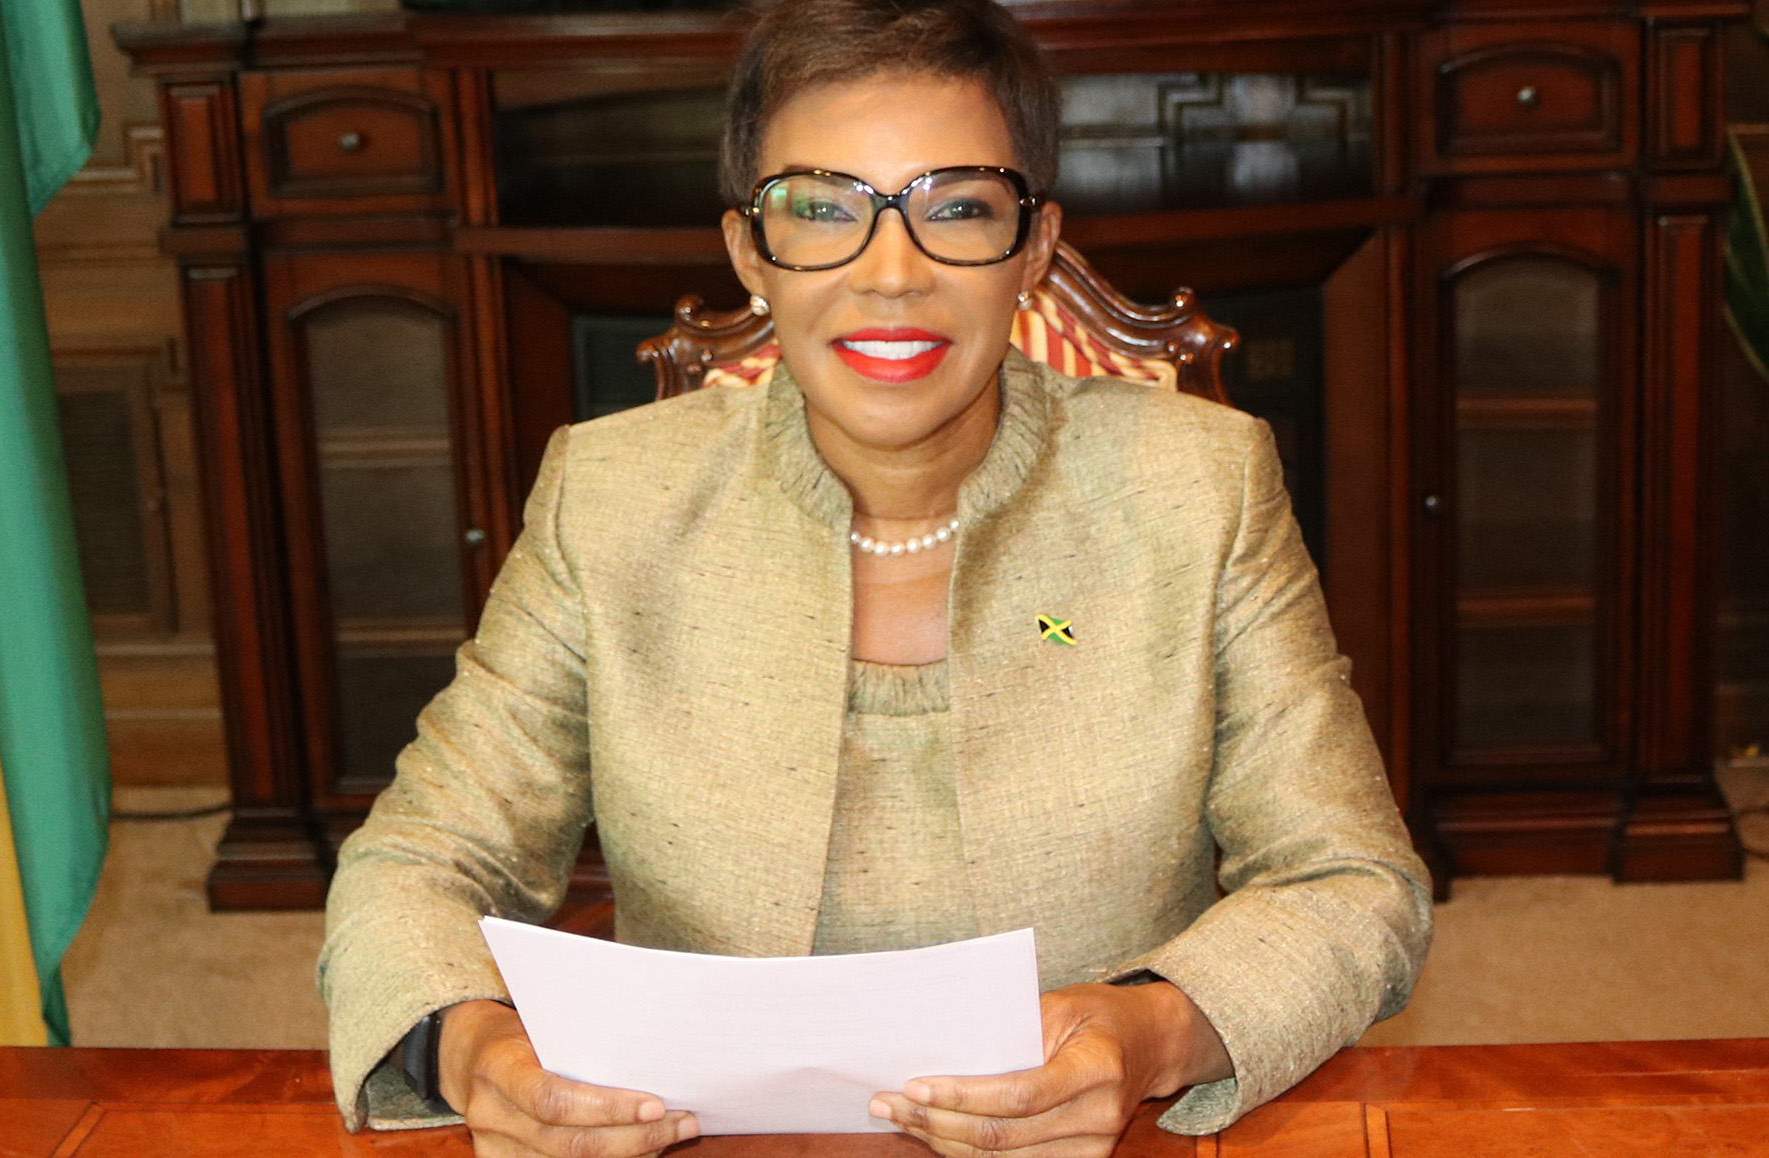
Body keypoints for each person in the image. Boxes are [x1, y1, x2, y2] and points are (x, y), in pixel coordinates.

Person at [318, 0, 1433, 1154]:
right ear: (751, 252)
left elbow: (1351, 882)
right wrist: (478, 1050)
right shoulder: (609, 499)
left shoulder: (1196, 489)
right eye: (821, 210)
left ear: (1035, 247)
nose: (890, 275)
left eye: (954, 209)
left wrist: (1154, 1036)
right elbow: (417, 862)